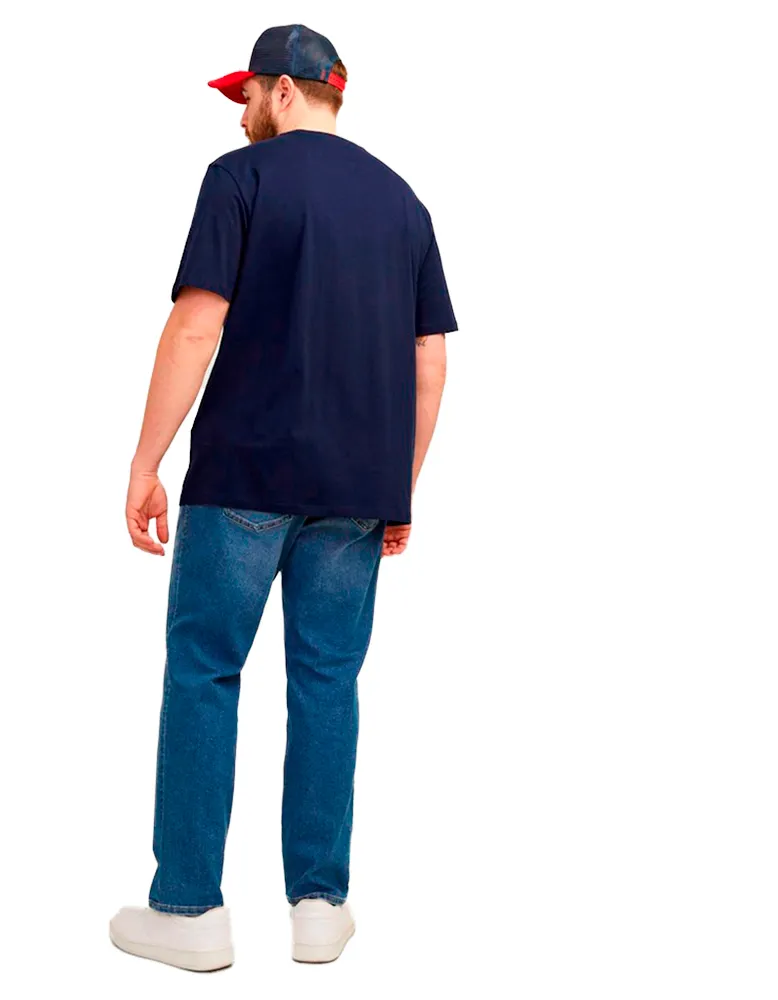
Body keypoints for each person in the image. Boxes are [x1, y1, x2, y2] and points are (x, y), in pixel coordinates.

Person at [109, 23, 457, 972]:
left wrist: (145, 461)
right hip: (356, 491)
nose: (242, 114)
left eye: (249, 96)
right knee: (327, 681)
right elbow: (429, 360)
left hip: (244, 479)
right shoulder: (403, 203)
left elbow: (197, 325)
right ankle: (318, 905)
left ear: (286, 90)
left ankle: (189, 910)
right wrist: (399, 486)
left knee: (204, 671)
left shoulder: (240, 180)